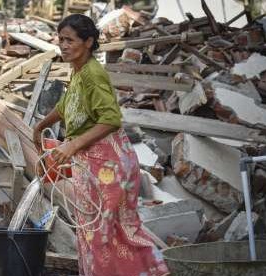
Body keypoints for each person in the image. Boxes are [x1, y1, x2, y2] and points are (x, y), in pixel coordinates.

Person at [32, 14, 170, 276]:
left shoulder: (93, 74)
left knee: (107, 230)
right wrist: (40, 126)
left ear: (88, 42)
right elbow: (66, 106)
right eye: (60, 39)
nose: (63, 45)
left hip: (108, 160)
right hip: (93, 160)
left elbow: (110, 119)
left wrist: (71, 146)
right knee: (95, 230)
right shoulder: (80, 72)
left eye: (69, 40)